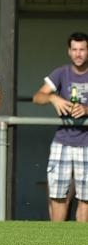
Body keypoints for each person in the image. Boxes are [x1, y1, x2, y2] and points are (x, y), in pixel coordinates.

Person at [32, 32, 88, 222]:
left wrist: (86, 109)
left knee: (86, 199)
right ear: (69, 52)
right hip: (62, 142)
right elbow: (37, 97)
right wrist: (53, 98)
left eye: (82, 49)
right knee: (57, 196)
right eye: (75, 49)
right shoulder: (61, 72)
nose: (78, 54)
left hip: (86, 143)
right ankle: (59, 241)